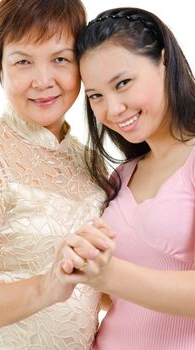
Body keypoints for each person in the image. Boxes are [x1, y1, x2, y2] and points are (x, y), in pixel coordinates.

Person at [0, 0, 109, 348]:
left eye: (60, 58)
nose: (43, 81)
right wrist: (47, 287)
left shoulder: (91, 162)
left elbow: (93, 293)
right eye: (23, 61)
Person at [60, 6, 195, 350]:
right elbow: (119, 299)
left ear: (163, 62)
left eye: (123, 83)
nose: (113, 108)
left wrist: (109, 274)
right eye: (96, 96)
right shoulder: (122, 176)